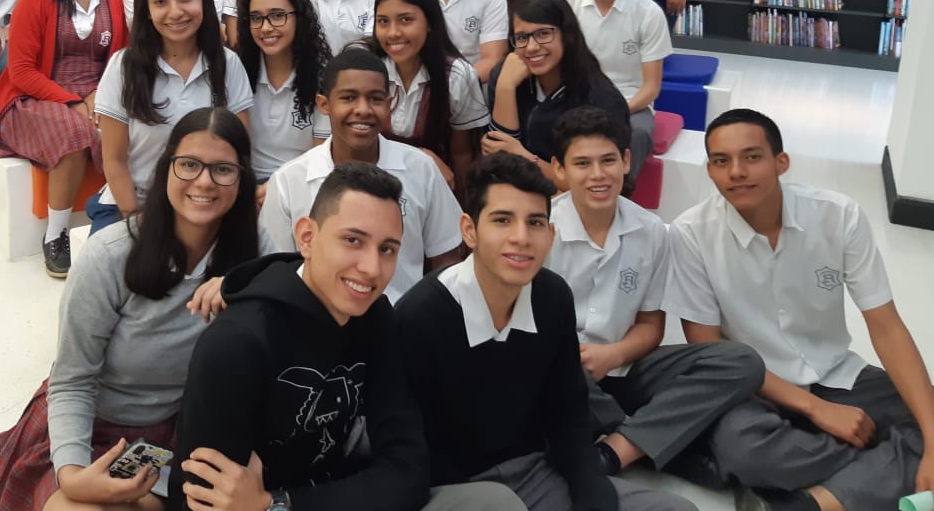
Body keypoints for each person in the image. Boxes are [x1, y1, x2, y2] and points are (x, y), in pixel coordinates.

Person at [168, 161, 525, 511]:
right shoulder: (236, 344)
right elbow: (198, 499)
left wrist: (277, 504)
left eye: (387, 249)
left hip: (314, 499)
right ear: (307, 237)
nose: (371, 268)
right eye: (353, 240)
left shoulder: (375, 315)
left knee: (495, 502)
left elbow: (408, 469)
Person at [0, 107, 266, 511]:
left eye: (223, 169)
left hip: (182, 435)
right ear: (166, 168)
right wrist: (73, 475)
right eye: (189, 165)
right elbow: (72, 380)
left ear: (242, 178)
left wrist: (239, 282)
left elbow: (297, 290)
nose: (204, 181)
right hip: (89, 427)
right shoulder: (110, 255)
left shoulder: (256, 251)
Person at [396, 153, 697, 511]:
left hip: (533, 472)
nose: (521, 238)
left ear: (551, 234)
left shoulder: (553, 296)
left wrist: (590, 489)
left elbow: (567, 408)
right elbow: (409, 449)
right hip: (451, 488)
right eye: (502, 220)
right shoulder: (420, 316)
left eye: (535, 222)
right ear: (469, 230)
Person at [667, 109, 934, 511]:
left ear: (781, 162)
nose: (736, 171)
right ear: (710, 171)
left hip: (835, 372)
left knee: (929, 417)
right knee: (745, 449)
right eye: (721, 161)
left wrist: (933, 438)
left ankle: (806, 501)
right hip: (751, 385)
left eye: (752, 156)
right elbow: (708, 347)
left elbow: (886, 326)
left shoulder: (838, 215)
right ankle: (877, 471)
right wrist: (817, 410)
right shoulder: (690, 234)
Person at [546, 107, 765, 482]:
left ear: (626, 161)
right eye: (582, 163)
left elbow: (650, 327)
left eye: (608, 160)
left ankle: (615, 446)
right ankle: (644, 441)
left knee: (742, 362)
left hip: (622, 369)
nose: (598, 174)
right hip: (558, 370)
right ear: (559, 170)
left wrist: (613, 354)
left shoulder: (652, 232)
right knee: (547, 367)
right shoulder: (541, 227)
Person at [0, 0, 129, 278]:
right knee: (73, 133)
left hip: (95, 97)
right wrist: (73, 102)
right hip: (32, 98)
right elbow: (21, 71)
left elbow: (118, 63)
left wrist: (97, 96)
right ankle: (55, 234)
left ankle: (128, 221)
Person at [259, 47, 463, 302]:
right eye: (348, 98)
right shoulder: (288, 181)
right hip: (317, 322)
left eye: (375, 99)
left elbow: (446, 258)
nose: (363, 109)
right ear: (324, 105)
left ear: (389, 104)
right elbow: (277, 270)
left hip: (401, 320)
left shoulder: (421, 169)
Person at [91, 0, 252, 235]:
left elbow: (240, 151)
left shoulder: (228, 65)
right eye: (160, 2)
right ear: (146, 10)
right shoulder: (123, 67)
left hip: (205, 203)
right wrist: (137, 222)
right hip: (135, 204)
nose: (175, 12)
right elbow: (114, 160)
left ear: (204, 0)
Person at [481, 0, 630, 185]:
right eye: (522, 37)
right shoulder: (507, 75)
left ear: (567, 35)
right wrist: (505, 88)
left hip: (574, 197)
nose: (532, 47)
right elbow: (498, 162)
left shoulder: (601, 99)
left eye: (543, 34)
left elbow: (596, 181)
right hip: (516, 191)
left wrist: (522, 156)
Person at [566, 0, 671, 184]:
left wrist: (616, 110)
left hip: (631, 105)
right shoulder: (569, 7)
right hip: (579, 101)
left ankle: (620, 195)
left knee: (637, 134)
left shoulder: (648, 13)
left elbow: (651, 88)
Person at [369, 0, 488, 195]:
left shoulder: (457, 76)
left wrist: (461, 207)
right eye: (383, 21)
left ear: (430, 22)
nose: (393, 33)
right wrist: (420, 157)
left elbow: (462, 153)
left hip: (434, 189)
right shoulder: (367, 68)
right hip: (372, 185)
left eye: (406, 20)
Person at [236, 0, 332, 184]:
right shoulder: (237, 70)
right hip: (245, 183)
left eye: (278, 15)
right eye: (256, 18)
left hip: (302, 182)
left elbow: (321, 155)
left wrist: (276, 187)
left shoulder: (322, 75)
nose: (266, 27)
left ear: (299, 17)